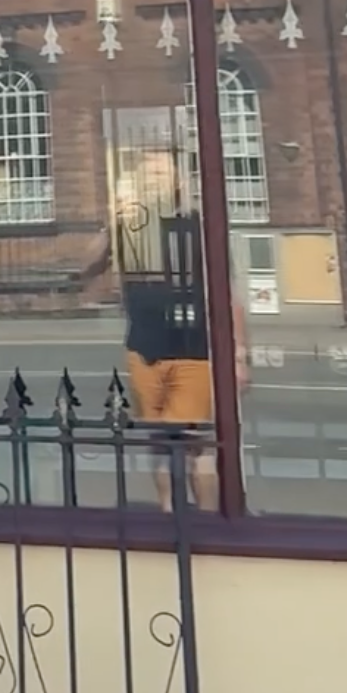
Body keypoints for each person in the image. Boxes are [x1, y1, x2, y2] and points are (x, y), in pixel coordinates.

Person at [115, 205, 246, 512]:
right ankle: (168, 515)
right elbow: (86, 268)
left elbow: (227, 293)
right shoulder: (130, 228)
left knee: (192, 442)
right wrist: (112, 226)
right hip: (144, 349)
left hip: (193, 350)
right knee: (161, 443)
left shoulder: (195, 225)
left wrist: (238, 354)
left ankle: (207, 520)